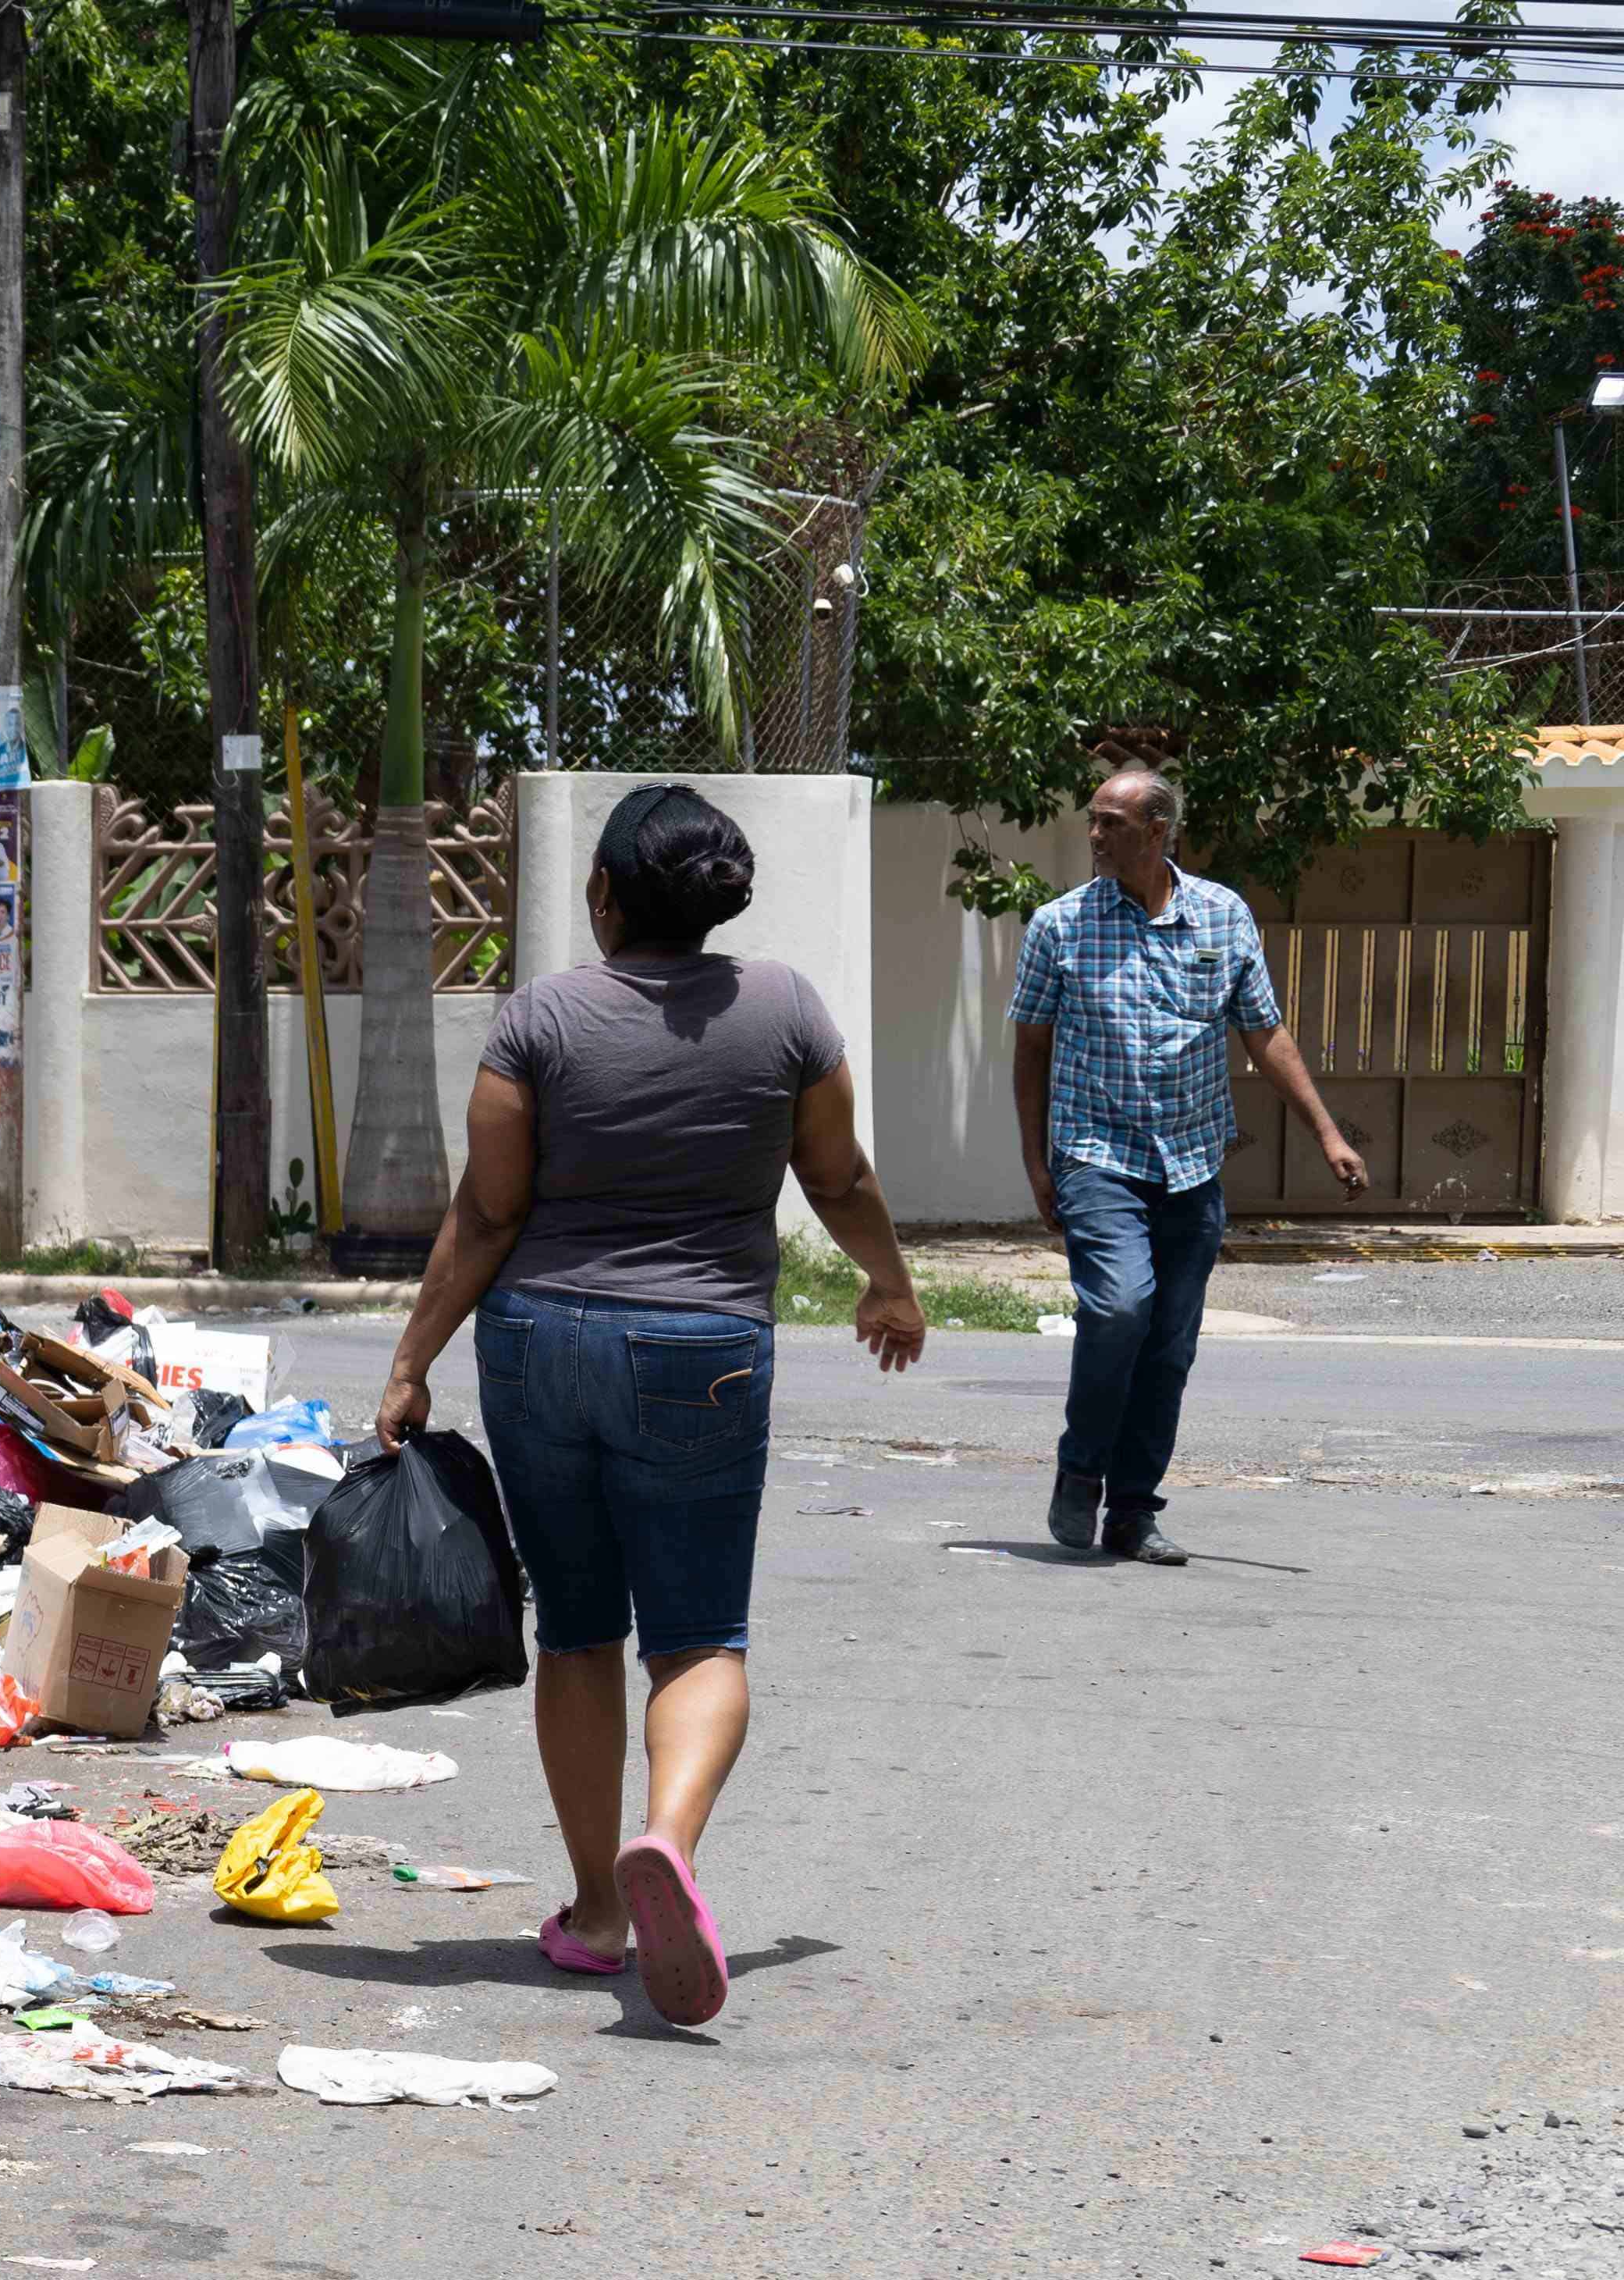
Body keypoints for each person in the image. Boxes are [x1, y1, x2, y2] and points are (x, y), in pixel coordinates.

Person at [374, 784, 926, 2028]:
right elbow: (835, 1176)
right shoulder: (784, 1008)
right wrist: (890, 1283)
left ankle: (599, 1908)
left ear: (608, 897)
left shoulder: (539, 1020)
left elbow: (489, 1210)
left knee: (577, 1630)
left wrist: (412, 1358)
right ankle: (666, 1841)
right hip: (704, 1348)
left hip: (539, 1344)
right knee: (698, 1637)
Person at [1007, 763, 1370, 1563]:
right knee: (1119, 1308)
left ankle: (1132, 1511)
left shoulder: (1223, 916)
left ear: (1158, 831)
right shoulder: (1060, 926)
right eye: (1093, 819)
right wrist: (1037, 1163)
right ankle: (1080, 1469)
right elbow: (1030, 1050)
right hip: (1096, 1155)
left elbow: (1264, 1034)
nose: (1095, 834)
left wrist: (1327, 1133)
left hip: (1192, 1163)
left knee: (1169, 1344)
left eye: (1112, 823)